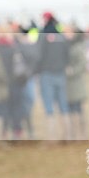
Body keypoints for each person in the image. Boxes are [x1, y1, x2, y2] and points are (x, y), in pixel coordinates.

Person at [36, 12, 70, 140]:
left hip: (46, 74)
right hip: (60, 73)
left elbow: (38, 55)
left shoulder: (42, 35)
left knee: (49, 106)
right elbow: (67, 55)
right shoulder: (61, 36)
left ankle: (52, 136)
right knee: (63, 105)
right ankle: (67, 134)